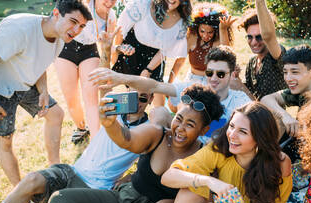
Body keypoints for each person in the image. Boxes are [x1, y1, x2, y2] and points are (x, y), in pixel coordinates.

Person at [47, 84, 224, 203]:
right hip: (124, 198)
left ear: (203, 130)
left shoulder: (205, 157)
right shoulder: (158, 134)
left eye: (190, 124)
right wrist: (110, 124)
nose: (180, 128)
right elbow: (127, 139)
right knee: (59, 202)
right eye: (179, 118)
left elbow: (206, 201)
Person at [0, 87, 153, 203]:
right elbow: (105, 90)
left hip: (92, 187)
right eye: (133, 97)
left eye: (143, 98)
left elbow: (150, 166)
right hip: (72, 170)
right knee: (31, 179)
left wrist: (130, 177)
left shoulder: (148, 130)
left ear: (151, 100)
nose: (137, 103)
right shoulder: (113, 112)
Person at [160, 101, 292, 203]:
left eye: (243, 132)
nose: (232, 135)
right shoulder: (221, 148)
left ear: (260, 138)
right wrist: (208, 181)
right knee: (189, 193)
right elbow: (168, 177)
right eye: (231, 126)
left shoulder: (279, 163)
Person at [0, 0, 91, 186]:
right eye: (73, 21)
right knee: (5, 140)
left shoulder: (60, 38)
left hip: (23, 83)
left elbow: (41, 63)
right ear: (56, 13)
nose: (77, 29)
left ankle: (54, 170)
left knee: (56, 114)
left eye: (82, 26)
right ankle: (21, 192)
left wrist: (44, 91)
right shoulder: (19, 29)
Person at [89, 45, 252, 142]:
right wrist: (120, 77)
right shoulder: (196, 87)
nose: (214, 79)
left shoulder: (240, 101)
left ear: (232, 75)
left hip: (214, 155)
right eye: (210, 73)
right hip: (184, 145)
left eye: (221, 74)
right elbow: (154, 85)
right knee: (159, 112)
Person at [54, 0, 117, 143]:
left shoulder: (111, 17)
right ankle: (81, 128)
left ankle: (96, 142)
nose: (110, 2)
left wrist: (109, 47)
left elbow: (109, 47)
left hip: (89, 51)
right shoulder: (86, 3)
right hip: (66, 48)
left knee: (91, 98)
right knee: (71, 99)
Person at [111, 0, 191, 106]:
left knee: (159, 103)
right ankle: (128, 120)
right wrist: (117, 51)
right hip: (133, 52)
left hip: (156, 59)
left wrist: (148, 70)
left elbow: (165, 50)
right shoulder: (143, 4)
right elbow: (121, 30)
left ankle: (157, 121)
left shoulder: (182, 21)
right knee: (133, 100)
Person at [239, 0, 287, 100]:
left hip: (274, 114)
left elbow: (268, 35)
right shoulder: (252, 62)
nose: (253, 42)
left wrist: (260, 2)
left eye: (259, 37)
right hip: (255, 112)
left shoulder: (276, 55)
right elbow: (247, 95)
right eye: (249, 37)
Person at [181, 2, 234, 85]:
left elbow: (227, 55)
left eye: (210, 32)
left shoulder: (218, 41)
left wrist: (223, 30)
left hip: (213, 81)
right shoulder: (192, 37)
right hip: (192, 80)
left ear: (215, 31)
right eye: (202, 31)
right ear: (197, 28)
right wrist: (170, 81)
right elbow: (179, 61)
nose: (205, 35)